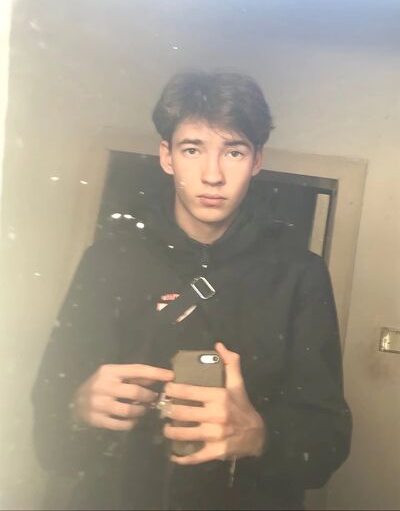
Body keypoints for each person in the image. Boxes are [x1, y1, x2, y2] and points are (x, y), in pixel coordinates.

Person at [32, 71, 352, 510]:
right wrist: (76, 408)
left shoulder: (300, 274)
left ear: (257, 160)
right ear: (167, 156)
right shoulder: (108, 260)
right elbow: (48, 446)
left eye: (234, 151)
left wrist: (261, 435)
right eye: (192, 149)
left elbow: (328, 444)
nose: (212, 175)